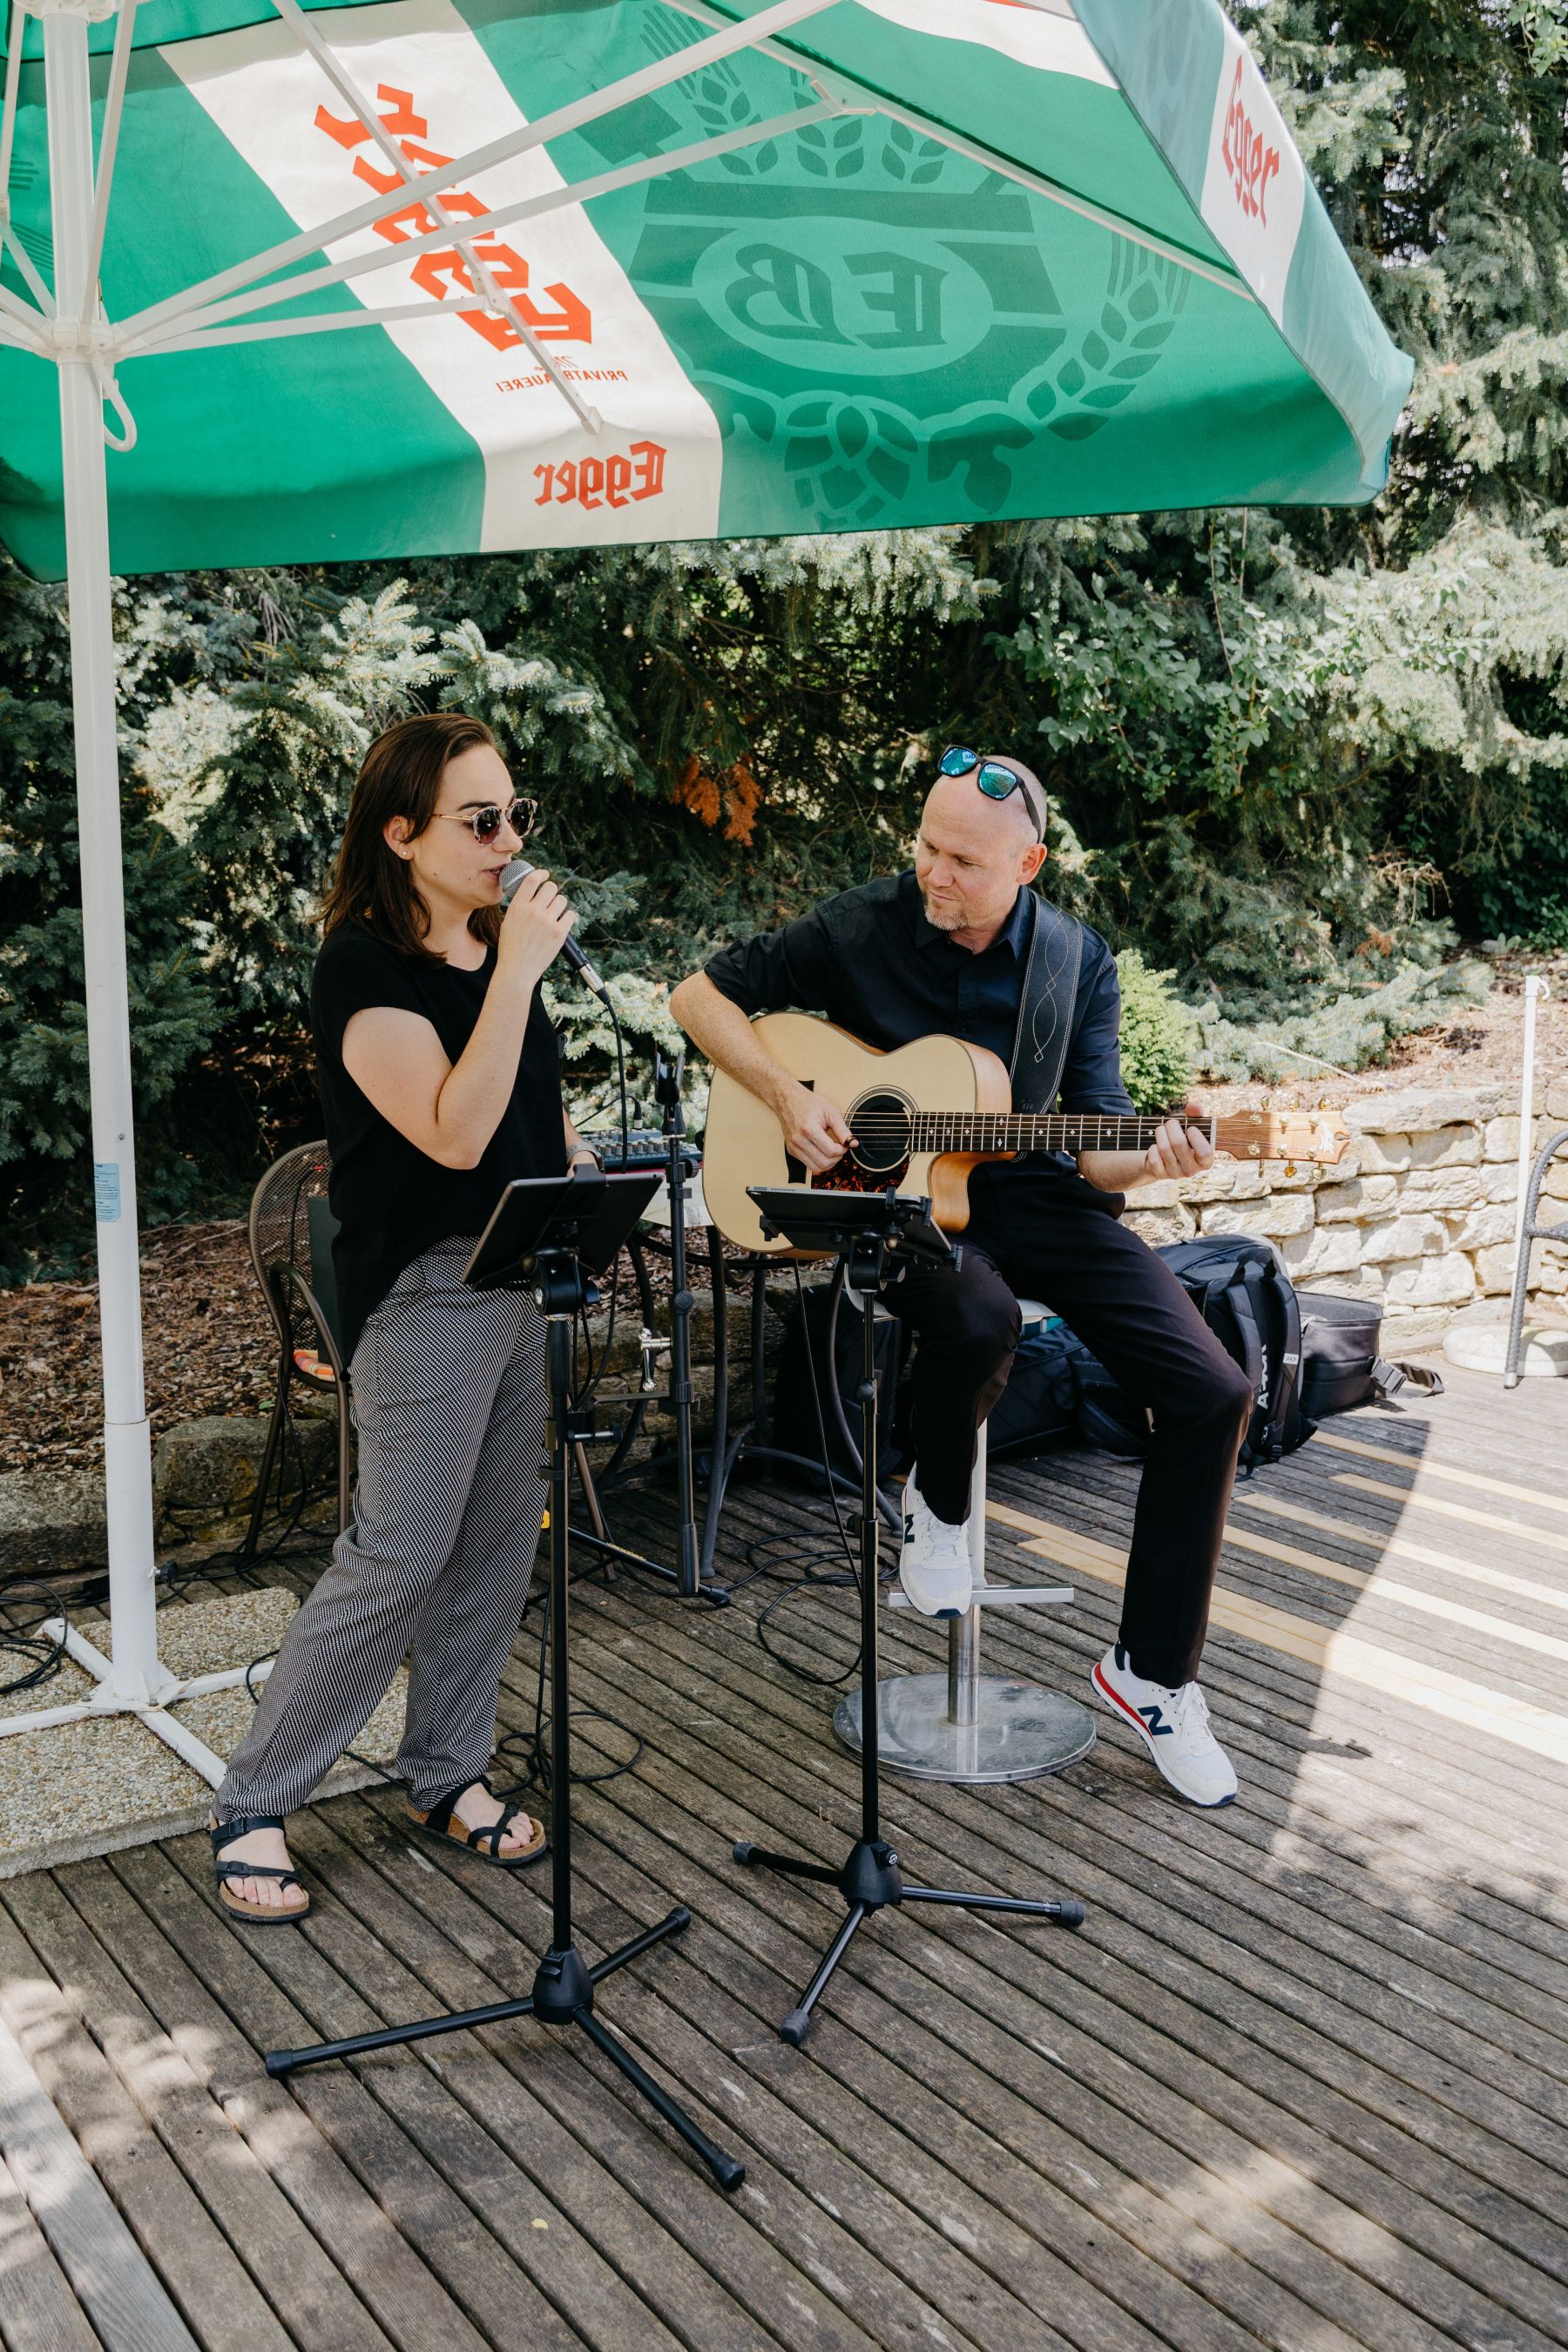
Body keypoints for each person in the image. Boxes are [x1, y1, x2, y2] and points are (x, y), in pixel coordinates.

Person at [670, 748, 1253, 1808]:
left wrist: (1158, 1157)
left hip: (1035, 1194)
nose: (934, 873)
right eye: (927, 847)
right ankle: (936, 1504)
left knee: (1214, 1389)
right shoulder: (861, 924)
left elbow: (1097, 1149)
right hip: (901, 1206)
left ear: (1027, 865)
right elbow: (697, 997)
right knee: (979, 1315)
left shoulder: (1075, 961)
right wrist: (789, 1098)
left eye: (964, 862)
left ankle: (1153, 1675)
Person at [210, 712, 603, 1923]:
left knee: (495, 1545)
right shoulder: (361, 969)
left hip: (520, 1277)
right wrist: (519, 974)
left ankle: (444, 1773)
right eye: (479, 821)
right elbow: (453, 1131)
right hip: (428, 1292)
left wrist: (585, 1165)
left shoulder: (493, 951)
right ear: (400, 834)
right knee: (399, 1553)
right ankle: (254, 1799)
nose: (508, 842)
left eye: (515, 815)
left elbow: (530, 1109)